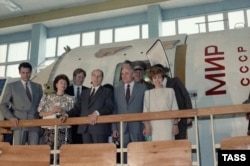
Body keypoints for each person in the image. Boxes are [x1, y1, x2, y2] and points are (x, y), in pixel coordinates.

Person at [61, 69, 113, 144]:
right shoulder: (84, 92)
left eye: (99, 76)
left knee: (99, 153)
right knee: (88, 154)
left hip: (99, 128)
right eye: (94, 76)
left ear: (102, 78)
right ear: (91, 77)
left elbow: (109, 107)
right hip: (85, 128)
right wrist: (66, 114)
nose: (96, 78)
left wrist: (97, 112)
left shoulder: (107, 91)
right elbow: (77, 108)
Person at [0, 62, 43, 145]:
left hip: (34, 124)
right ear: (19, 72)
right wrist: (10, 117)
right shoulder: (12, 86)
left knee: (34, 153)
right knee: (18, 152)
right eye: (23, 73)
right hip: (18, 123)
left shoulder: (38, 87)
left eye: (28, 73)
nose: (25, 75)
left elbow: (41, 105)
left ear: (31, 72)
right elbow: (3, 104)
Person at [112, 62, 147, 162]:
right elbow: (114, 110)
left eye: (126, 73)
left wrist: (146, 125)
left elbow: (146, 108)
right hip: (121, 128)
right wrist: (114, 128)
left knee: (138, 154)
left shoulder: (142, 88)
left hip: (138, 127)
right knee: (124, 155)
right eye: (122, 74)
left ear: (133, 74)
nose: (124, 76)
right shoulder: (116, 90)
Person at [153, 64, 193, 140]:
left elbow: (185, 95)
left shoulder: (175, 81)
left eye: (158, 74)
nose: (156, 78)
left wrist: (189, 115)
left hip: (180, 119)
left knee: (180, 143)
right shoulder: (154, 87)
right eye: (154, 76)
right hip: (164, 123)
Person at [38, 74, 74, 149]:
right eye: (61, 82)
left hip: (64, 129)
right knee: (49, 151)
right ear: (56, 84)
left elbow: (73, 113)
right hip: (49, 129)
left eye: (65, 83)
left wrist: (62, 112)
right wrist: (51, 112)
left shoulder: (71, 98)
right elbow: (40, 113)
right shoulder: (47, 96)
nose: (63, 85)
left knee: (63, 151)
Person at [143, 66, 179, 141]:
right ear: (151, 80)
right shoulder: (147, 93)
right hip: (153, 127)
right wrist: (146, 126)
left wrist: (175, 125)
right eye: (154, 78)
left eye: (159, 77)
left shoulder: (170, 91)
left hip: (168, 126)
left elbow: (175, 109)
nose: (157, 80)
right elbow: (145, 111)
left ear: (162, 78)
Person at [65, 68, 88, 144]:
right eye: (79, 77)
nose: (81, 79)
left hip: (83, 122)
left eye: (82, 77)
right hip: (70, 121)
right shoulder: (66, 90)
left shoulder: (88, 90)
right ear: (74, 77)